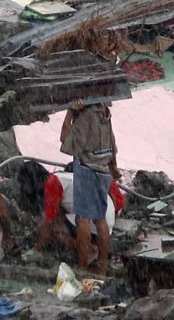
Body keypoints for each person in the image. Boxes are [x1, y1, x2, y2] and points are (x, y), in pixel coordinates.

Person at [59, 94, 118, 272]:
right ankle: (102, 265)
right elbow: (112, 144)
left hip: (87, 169)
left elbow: (65, 140)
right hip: (103, 169)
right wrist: (114, 168)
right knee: (100, 219)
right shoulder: (104, 112)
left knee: (82, 219)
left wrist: (70, 113)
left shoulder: (86, 115)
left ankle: (82, 266)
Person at [39, 162, 126, 266]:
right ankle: (102, 263)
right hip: (106, 223)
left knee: (55, 230)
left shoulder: (54, 181)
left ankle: (89, 251)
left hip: (91, 223)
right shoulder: (90, 176)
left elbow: (50, 219)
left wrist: (38, 245)